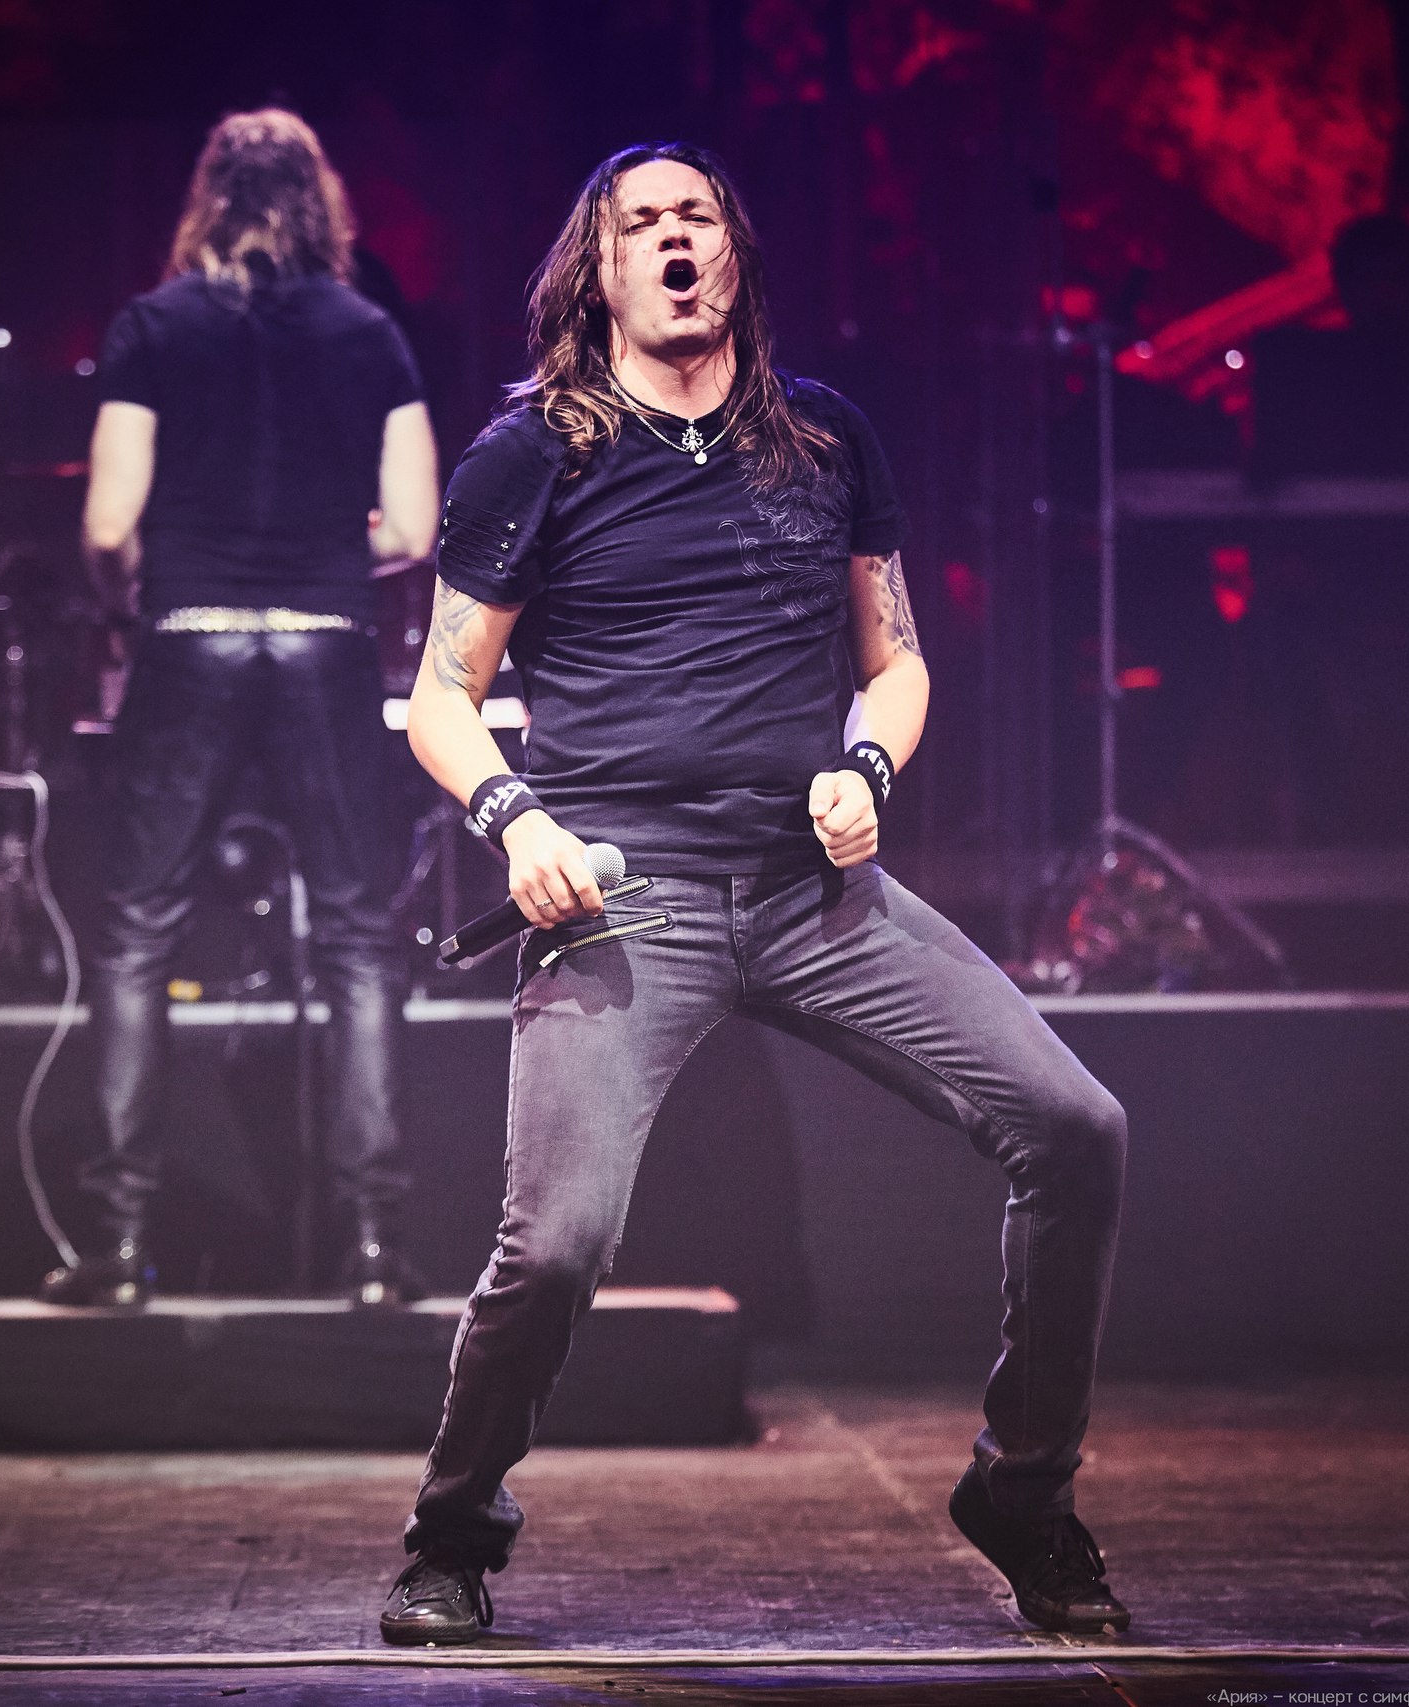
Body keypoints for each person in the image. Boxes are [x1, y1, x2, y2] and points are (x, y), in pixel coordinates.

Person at [377, 142, 1132, 1646]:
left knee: (1077, 1129)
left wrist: (869, 762)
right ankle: (451, 1532)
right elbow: (439, 697)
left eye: (696, 217)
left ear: (733, 251)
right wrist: (516, 817)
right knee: (558, 1244)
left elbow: (896, 659)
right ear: (598, 272)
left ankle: (1025, 1490)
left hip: (812, 893)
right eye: (639, 224)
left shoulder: (825, 439)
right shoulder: (536, 452)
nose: (672, 241)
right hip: (623, 900)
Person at [44, 109, 441, 1309]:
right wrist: (315, 550)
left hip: (191, 637)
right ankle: (371, 1251)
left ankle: (119, 1249)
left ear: (206, 198)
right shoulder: (369, 333)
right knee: (359, 936)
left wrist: (136, 597)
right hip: (324, 641)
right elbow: (414, 529)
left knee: (138, 933)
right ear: (321, 202)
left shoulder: (151, 327)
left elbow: (107, 524)